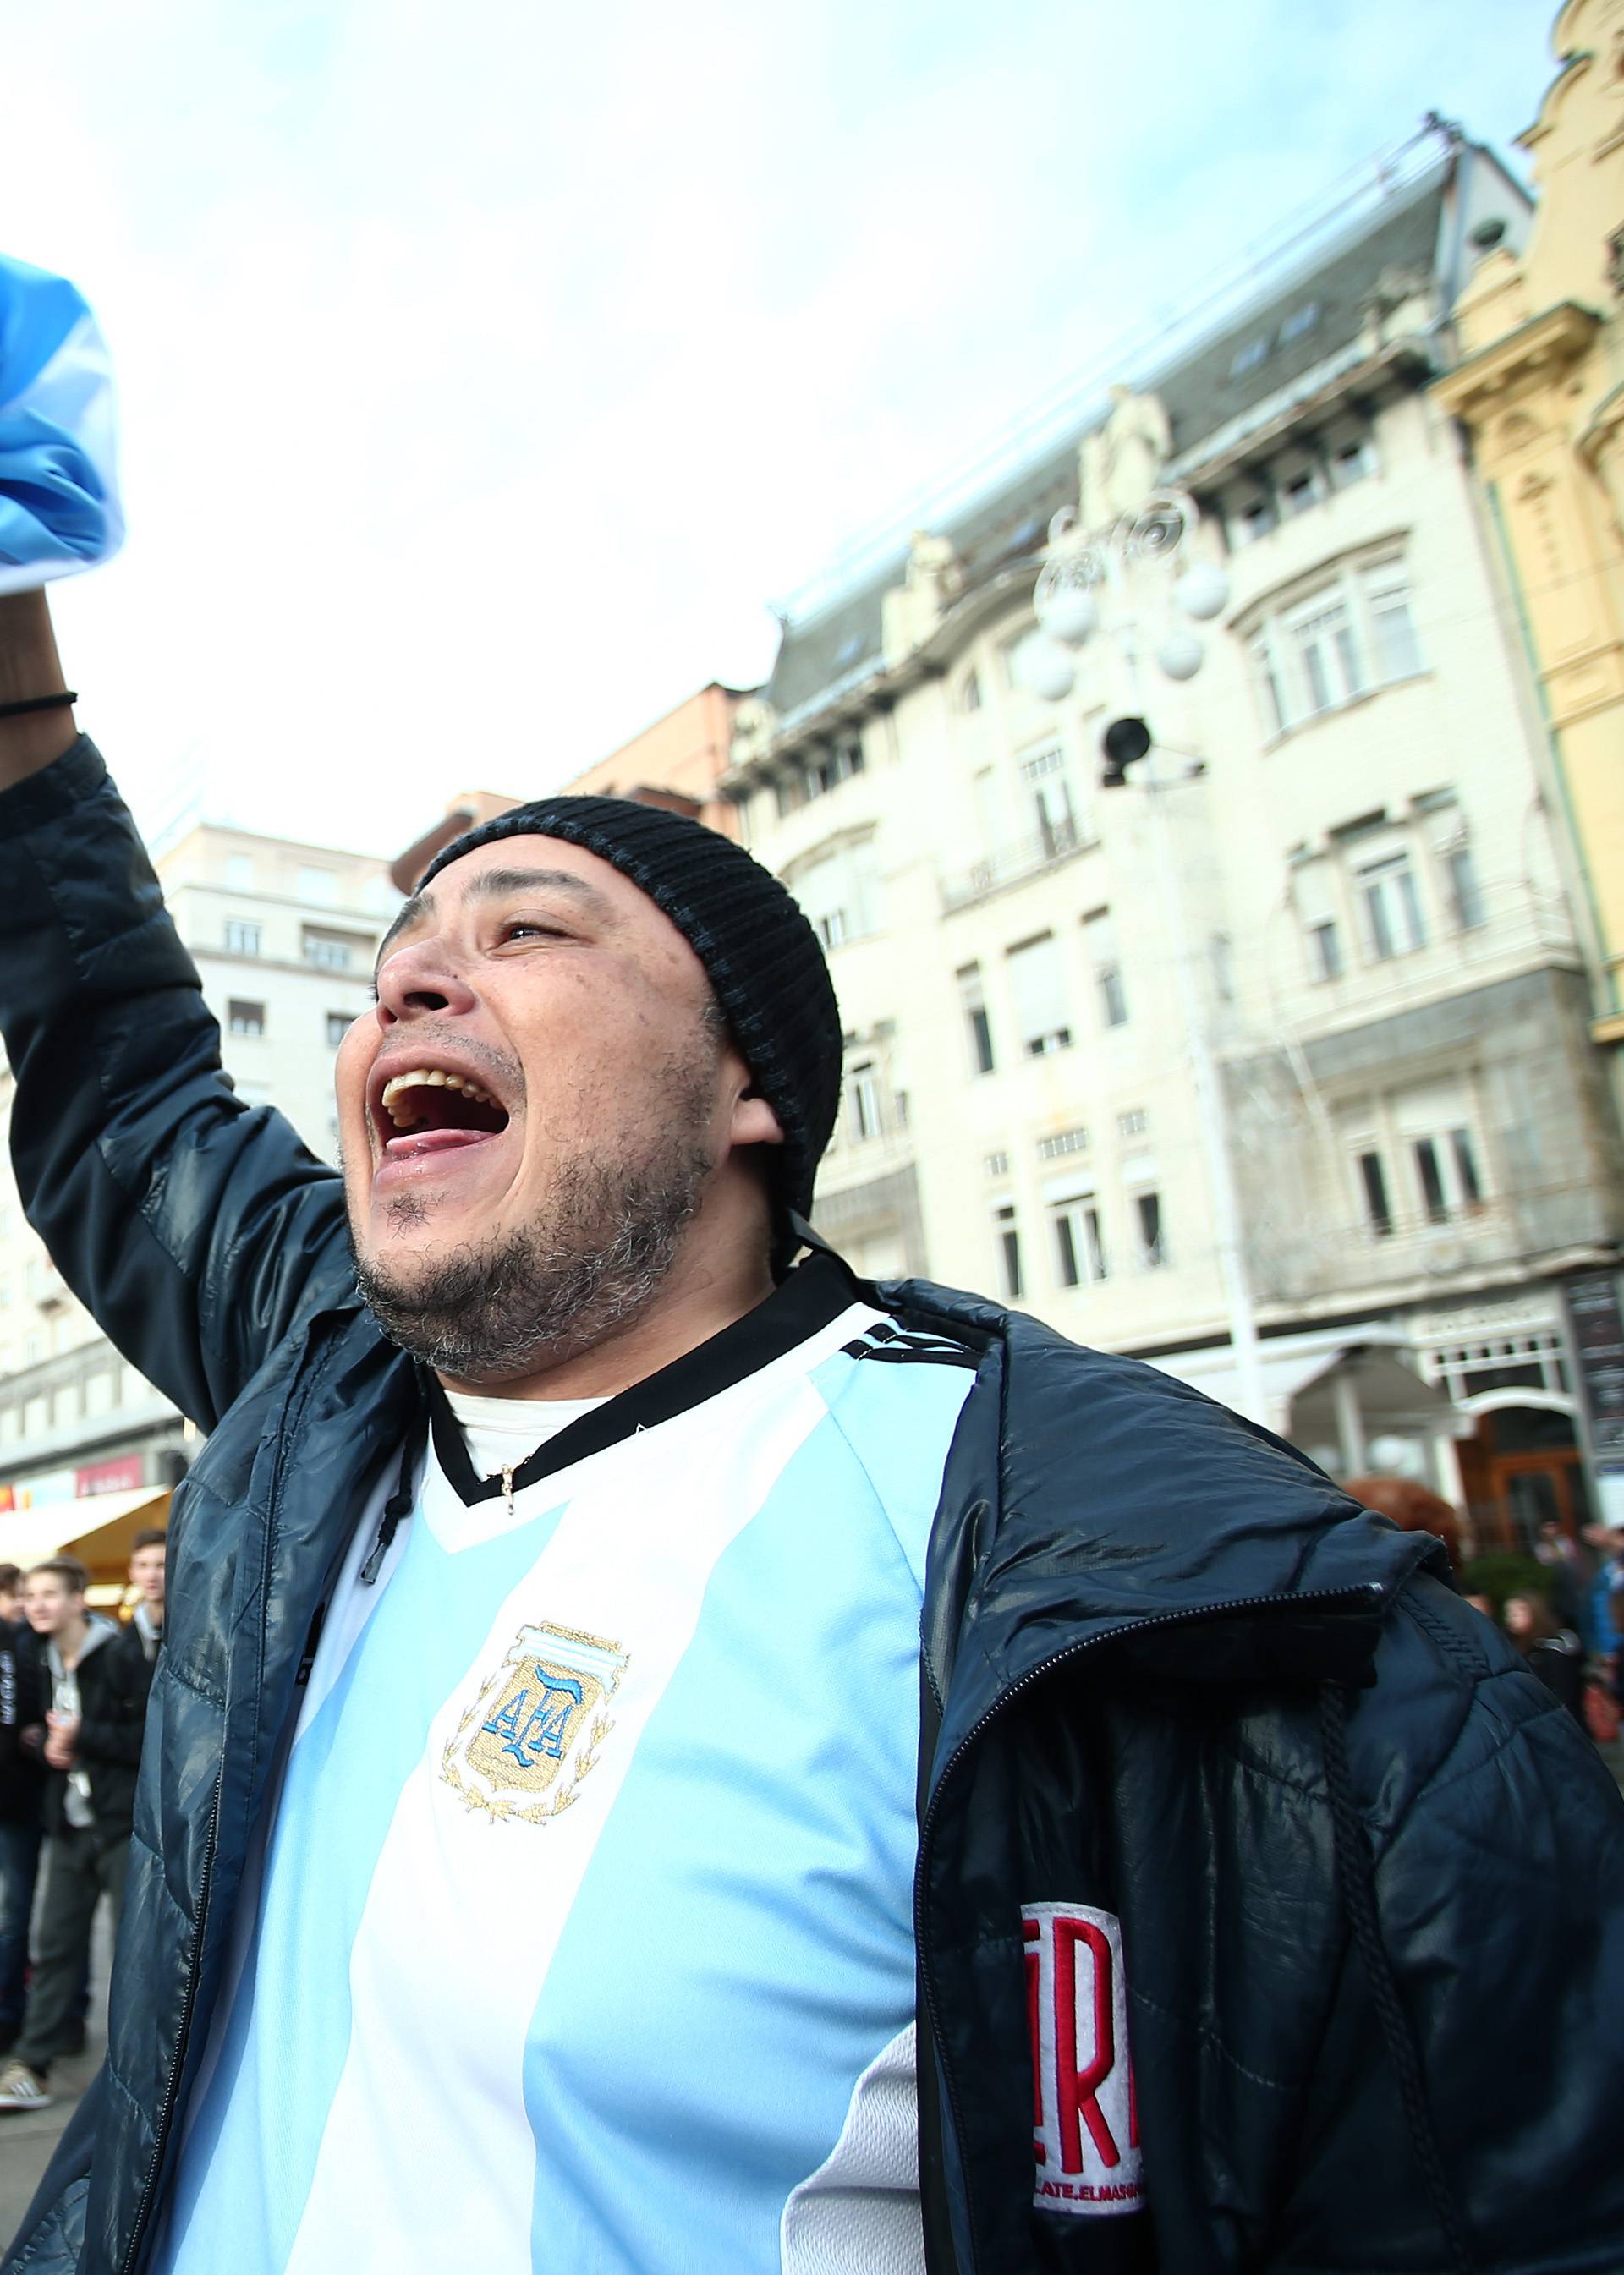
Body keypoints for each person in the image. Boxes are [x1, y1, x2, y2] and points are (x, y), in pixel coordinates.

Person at [0, 261, 1621, 2266]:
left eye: (528, 932)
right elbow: (127, 1068)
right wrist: (11, 602)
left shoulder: (1188, 1628)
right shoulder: (329, 1385)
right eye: (399, 958)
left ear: (748, 1085)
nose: (419, 966)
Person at [0, 1558, 154, 2113]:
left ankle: (140, 2071)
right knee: (56, 1945)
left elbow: (150, 1735)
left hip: (120, 1824)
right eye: (30, 1595)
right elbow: (32, 1733)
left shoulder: (119, 1655)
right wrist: (47, 1746)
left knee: (132, 1951)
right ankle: (31, 2065)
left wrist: (84, 1736)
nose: (36, 1604)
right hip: (68, 1823)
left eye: (48, 1594)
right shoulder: (34, 1656)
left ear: (76, 1598)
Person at [0, 1566, 45, 2053]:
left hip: (16, 1802)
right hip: (15, 1799)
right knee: (14, 1914)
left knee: (15, 1914)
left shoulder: (15, 1641)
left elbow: (11, 1716)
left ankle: (11, 2012)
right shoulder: (14, 1641)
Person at [1501, 1592, 1586, 1726]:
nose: (1513, 1616)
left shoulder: (1553, 1650)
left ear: (1536, 1612)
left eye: (1521, 1610)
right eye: (1509, 1612)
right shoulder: (1511, 1647)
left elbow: (1565, 1693)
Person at [123, 1531, 167, 1664]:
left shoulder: (195, 1632)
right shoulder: (121, 1644)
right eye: (143, 1566)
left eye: (161, 1565)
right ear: (132, 1573)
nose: (151, 1575)